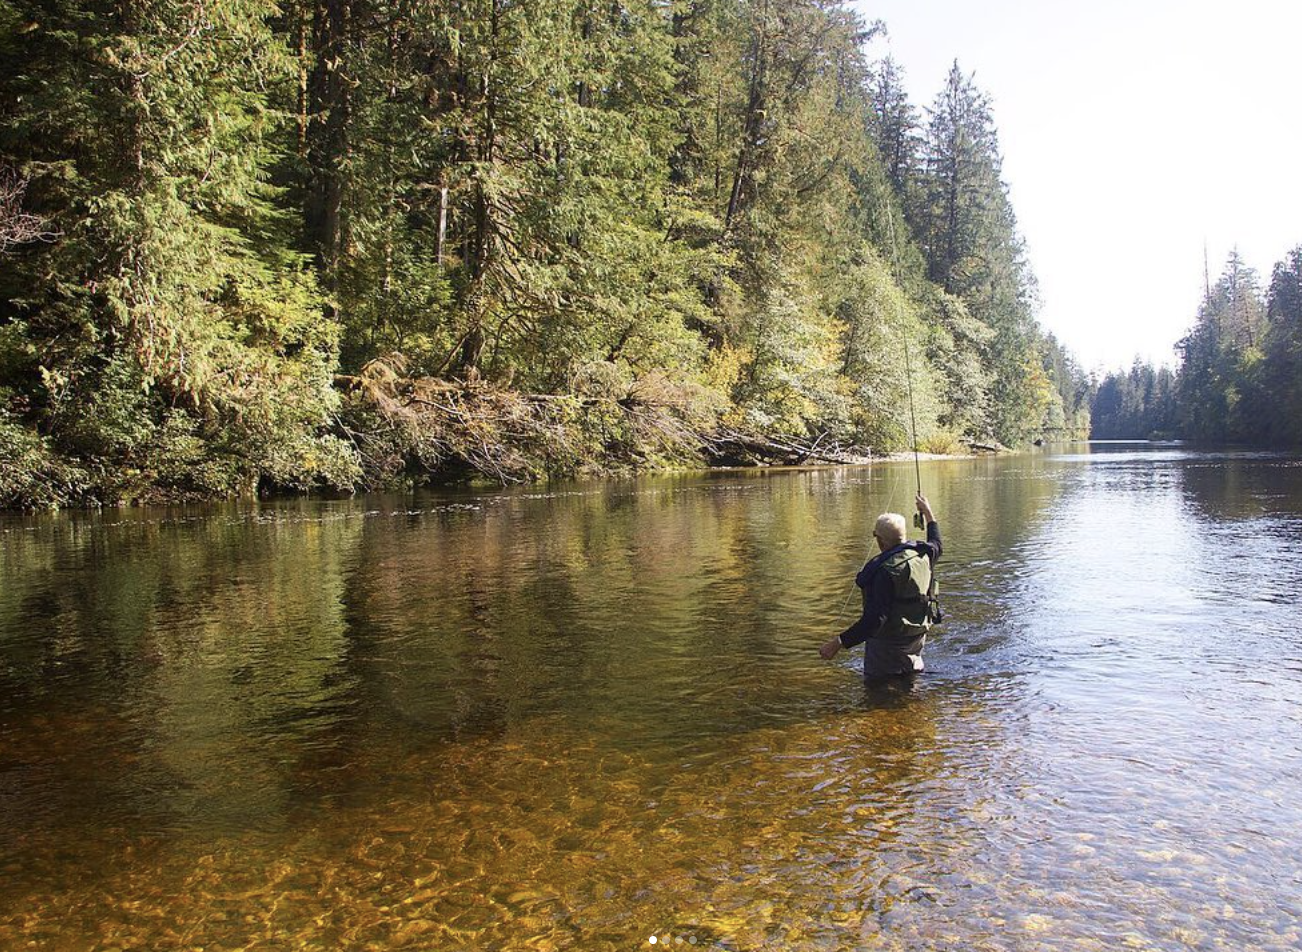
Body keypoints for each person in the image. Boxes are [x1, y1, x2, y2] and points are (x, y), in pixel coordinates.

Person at [820, 492, 942, 679]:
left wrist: (838, 643)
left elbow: (875, 621)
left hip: (887, 645)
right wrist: (927, 512)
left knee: (879, 689)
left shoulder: (884, 572)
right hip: (917, 635)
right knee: (911, 680)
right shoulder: (925, 555)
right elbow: (937, 541)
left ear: (880, 541)